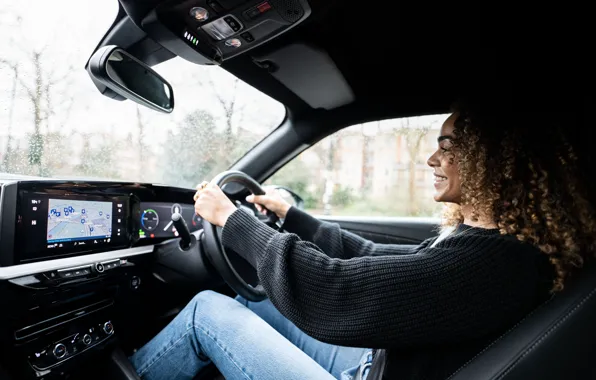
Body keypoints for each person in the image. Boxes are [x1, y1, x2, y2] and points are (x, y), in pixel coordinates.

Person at [129, 100, 595, 380]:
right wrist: (294, 218)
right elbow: (374, 261)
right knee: (250, 300)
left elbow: (333, 292)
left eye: (450, 146)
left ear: (495, 160)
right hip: (381, 363)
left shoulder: (492, 264)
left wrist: (233, 221)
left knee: (206, 313)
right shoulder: (492, 245)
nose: (432, 158)